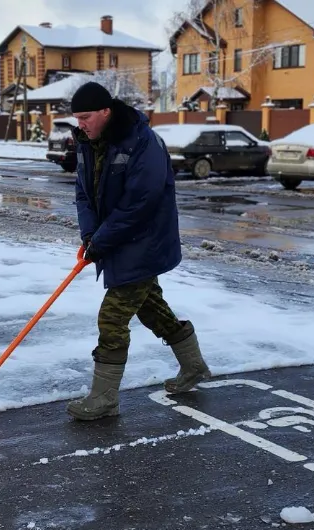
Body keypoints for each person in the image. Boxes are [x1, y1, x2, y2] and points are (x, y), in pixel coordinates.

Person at [64, 81, 211, 421]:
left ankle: (103, 399)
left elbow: (140, 203)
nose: (81, 124)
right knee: (152, 310)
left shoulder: (143, 143)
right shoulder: (88, 143)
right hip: (115, 240)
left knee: (113, 317)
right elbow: (84, 195)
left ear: (106, 111)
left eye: (86, 117)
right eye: (77, 118)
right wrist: (90, 235)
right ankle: (194, 366)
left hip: (145, 241)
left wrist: (101, 240)